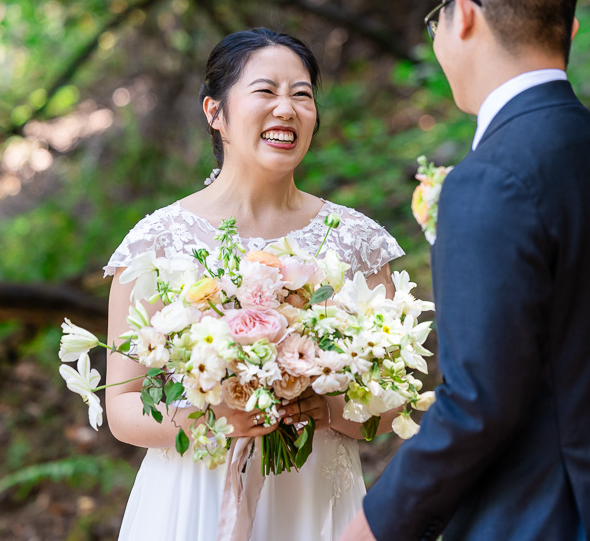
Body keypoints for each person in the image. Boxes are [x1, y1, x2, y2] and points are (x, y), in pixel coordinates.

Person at [341, 0, 590, 540]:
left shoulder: (491, 178)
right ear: (568, 27)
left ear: (461, 14)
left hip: (536, 518)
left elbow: (477, 403)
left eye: (435, 20)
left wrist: (374, 524)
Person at [103, 28, 405, 541]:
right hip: (192, 500)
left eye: (302, 95)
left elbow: (391, 405)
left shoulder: (358, 243)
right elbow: (124, 407)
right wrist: (209, 420)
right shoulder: (156, 243)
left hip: (313, 500)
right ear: (214, 112)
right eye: (265, 91)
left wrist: (327, 408)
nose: (286, 109)